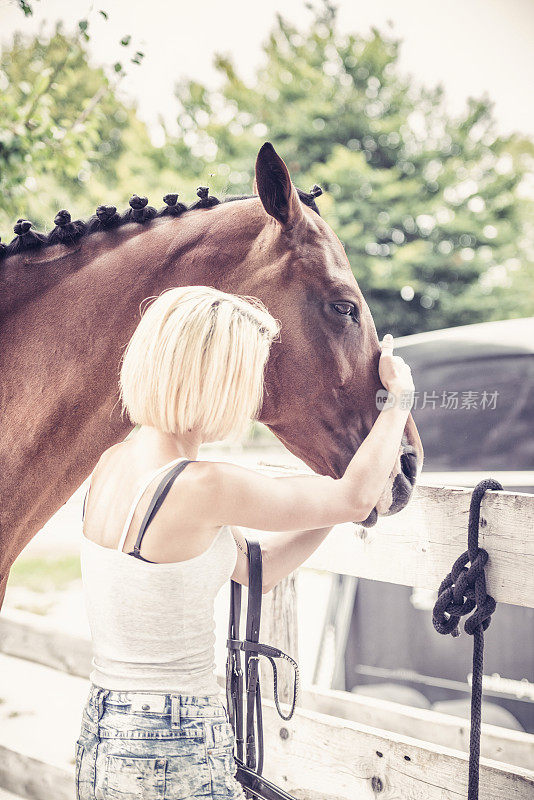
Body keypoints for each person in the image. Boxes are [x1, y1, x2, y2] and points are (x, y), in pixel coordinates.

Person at [76, 284, 414, 800]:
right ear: (217, 381)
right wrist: (398, 404)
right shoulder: (202, 485)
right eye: (250, 374)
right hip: (175, 736)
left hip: (105, 731)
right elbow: (352, 495)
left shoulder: (113, 464)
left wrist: (334, 514)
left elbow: (257, 569)